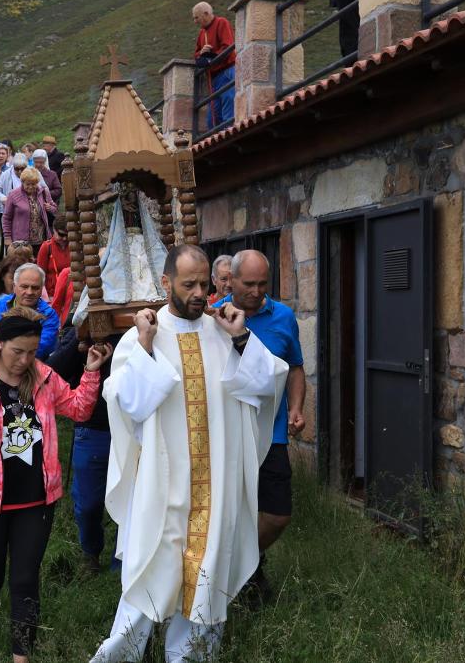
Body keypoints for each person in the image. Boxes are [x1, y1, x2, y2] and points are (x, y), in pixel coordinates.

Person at [89, 245, 287, 663]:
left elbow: (267, 384)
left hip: (214, 485)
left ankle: (191, 657)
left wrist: (241, 339)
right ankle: (119, 656)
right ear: (165, 283)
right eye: (189, 284)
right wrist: (144, 348)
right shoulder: (143, 334)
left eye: (206, 283)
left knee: (206, 575)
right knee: (148, 575)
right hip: (161, 484)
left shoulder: (224, 330)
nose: (201, 293)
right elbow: (126, 405)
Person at [0, 307, 111, 663]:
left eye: (31, 351)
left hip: (36, 500)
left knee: (26, 579)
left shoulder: (42, 377)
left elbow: (77, 410)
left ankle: (21, 655)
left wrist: (90, 373)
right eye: (18, 352)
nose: (25, 360)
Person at [212, 250, 305, 601]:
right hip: (228, 433)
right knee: (231, 508)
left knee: (278, 514)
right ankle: (241, 577)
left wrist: (296, 407)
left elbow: (294, 367)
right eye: (248, 284)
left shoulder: (283, 316)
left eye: (263, 284)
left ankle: (246, 561)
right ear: (229, 279)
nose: (255, 291)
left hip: (273, 431)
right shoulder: (212, 317)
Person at [48, 323, 122, 573]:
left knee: (132, 498)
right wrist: (81, 338)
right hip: (94, 428)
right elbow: (54, 371)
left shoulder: (145, 323)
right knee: (89, 502)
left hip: (134, 429)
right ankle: (90, 552)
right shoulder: (89, 324)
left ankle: (120, 561)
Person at [0, 264, 60, 360]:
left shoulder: (48, 316)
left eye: (35, 288)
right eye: (24, 287)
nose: (29, 292)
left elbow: (37, 351)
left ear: (42, 288)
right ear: (14, 286)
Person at [193, 2, 236, 129]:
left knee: (228, 111)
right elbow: (196, 54)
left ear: (206, 14)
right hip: (213, 78)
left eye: (197, 17)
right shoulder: (202, 33)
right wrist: (202, 54)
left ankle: (229, 140)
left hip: (226, 72)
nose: (195, 21)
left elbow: (227, 47)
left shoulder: (221, 23)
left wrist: (211, 55)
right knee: (212, 119)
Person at [3, 167, 56, 255]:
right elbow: (6, 218)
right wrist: (7, 237)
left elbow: (54, 208)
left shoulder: (43, 192)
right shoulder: (13, 195)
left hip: (41, 239)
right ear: (22, 182)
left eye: (33, 184)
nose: (31, 187)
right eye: (28, 184)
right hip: (21, 242)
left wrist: (50, 207)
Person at [35, 218, 70, 299]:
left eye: (67, 235)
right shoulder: (46, 247)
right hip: (52, 294)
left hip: (71, 291)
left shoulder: (75, 245)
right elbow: (40, 274)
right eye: (61, 235)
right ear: (54, 230)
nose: (65, 238)